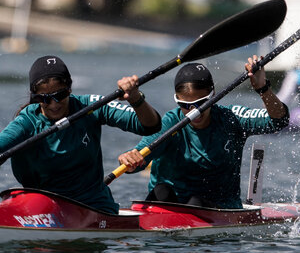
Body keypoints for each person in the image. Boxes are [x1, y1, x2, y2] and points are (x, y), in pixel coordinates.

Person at [0, 55, 161, 214]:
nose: (54, 104)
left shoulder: (91, 106)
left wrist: (135, 98)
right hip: (40, 205)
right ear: (34, 96)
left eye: (60, 95)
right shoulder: (28, 120)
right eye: (44, 99)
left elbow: (150, 126)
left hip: (93, 206)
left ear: (70, 88)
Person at [116, 57, 289, 209]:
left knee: (195, 202)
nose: (192, 111)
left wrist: (263, 88)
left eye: (200, 104)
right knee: (162, 191)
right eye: (184, 105)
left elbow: (279, 121)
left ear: (213, 95)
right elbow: (138, 158)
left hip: (217, 207)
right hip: (166, 205)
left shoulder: (232, 119)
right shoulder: (169, 124)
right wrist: (130, 160)